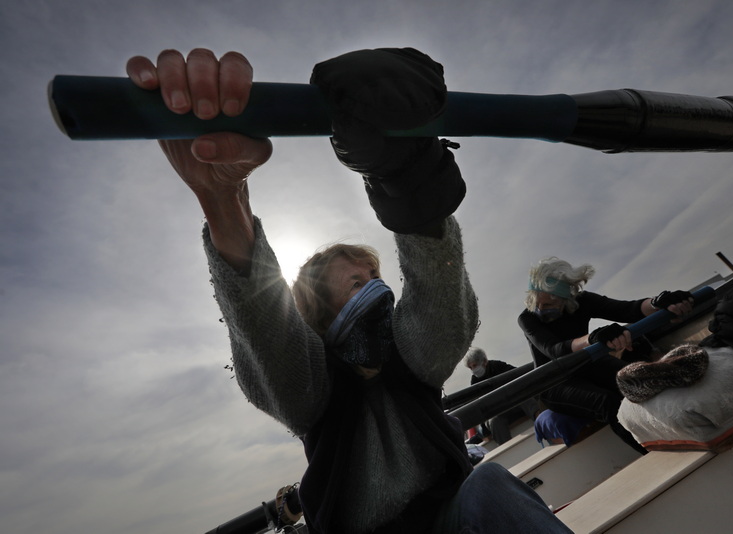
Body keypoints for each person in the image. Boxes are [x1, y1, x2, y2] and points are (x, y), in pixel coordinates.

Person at [126, 48, 572, 534]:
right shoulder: (311, 389)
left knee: (490, 485)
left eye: (376, 277)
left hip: (450, 520)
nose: (374, 285)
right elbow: (267, 335)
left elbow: (441, 309)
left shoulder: (410, 356)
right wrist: (222, 200)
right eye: (356, 282)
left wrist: (408, 173)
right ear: (319, 310)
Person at [517, 256, 693, 452]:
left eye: (549, 305)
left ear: (567, 299)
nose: (541, 309)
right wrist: (592, 338)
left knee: (640, 378)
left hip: (587, 365)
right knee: (610, 403)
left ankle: (684, 433)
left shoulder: (582, 301)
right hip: (554, 382)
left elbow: (628, 310)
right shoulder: (527, 318)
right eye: (538, 304)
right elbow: (554, 349)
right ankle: (655, 454)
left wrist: (659, 303)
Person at [463, 347, 539, 444]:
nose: (473, 370)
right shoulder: (474, 382)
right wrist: (485, 432)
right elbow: (478, 406)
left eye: (475, 365)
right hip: (498, 413)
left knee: (526, 400)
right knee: (494, 421)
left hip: (515, 405)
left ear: (484, 361)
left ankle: (543, 423)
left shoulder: (499, 366)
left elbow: (520, 378)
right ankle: (507, 448)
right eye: (470, 368)